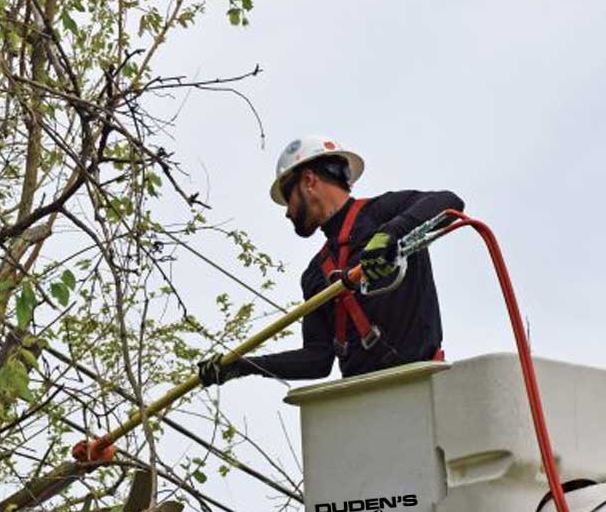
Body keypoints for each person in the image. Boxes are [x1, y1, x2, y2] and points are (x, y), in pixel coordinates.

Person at [198, 135, 463, 386]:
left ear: (309, 181)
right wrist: (243, 365)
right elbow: (317, 360)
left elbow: (449, 202)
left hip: (424, 382)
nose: (287, 213)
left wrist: (389, 234)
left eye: (287, 199)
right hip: (362, 397)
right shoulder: (316, 273)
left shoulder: (383, 214)